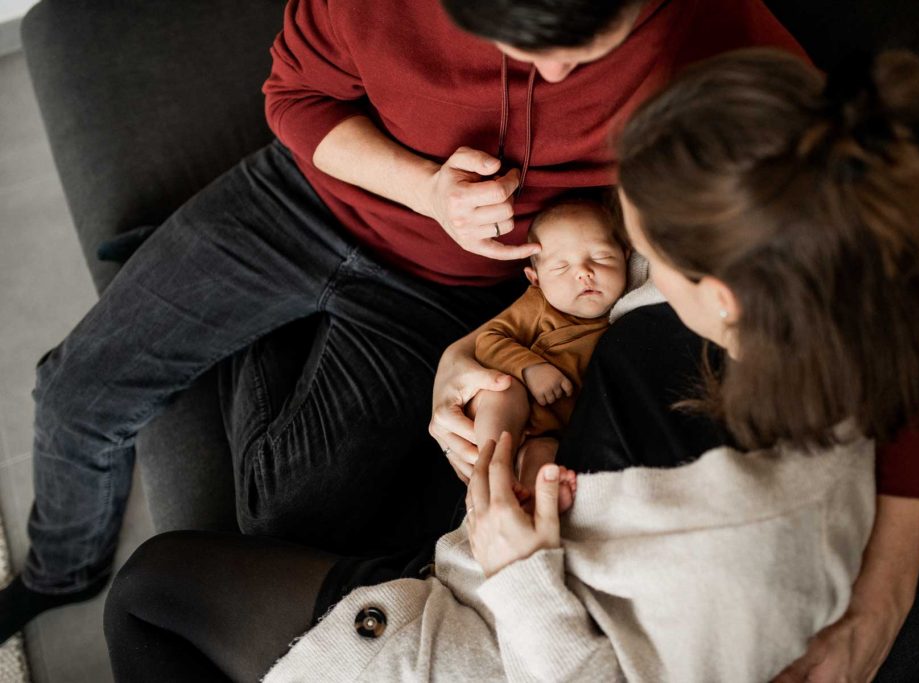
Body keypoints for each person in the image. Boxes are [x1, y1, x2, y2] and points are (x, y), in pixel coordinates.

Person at [101, 47, 919, 682]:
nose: (622, 248)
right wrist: (473, 356)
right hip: (483, 561)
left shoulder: (736, 565)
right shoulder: (821, 291)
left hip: (487, 641)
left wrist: (519, 574)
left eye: (638, 238)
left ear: (720, 293)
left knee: (147, 591)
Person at [0, 0, 812, 642]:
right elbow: (293, 95)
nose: (561, 70)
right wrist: (427, 190)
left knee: (284, 515)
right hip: (301, 201)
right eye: (529, 46)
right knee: (75, 394)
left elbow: (829, 178)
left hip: (436, 289)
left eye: (591, 41)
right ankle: (61, 572)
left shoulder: (709, 26)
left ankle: (245, 324)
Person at [470, 200, 627, 494]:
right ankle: (490, 468)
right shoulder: (538, 305)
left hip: (554, 431)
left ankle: (527, 498)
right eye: (561, 266)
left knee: (545, 458)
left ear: (626, 256)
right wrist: (530, 368)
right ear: (536, 279)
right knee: (504, 390)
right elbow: (488, 339)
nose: (584, 273)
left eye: (602, 257)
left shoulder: (628, 311)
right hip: (514, 407)